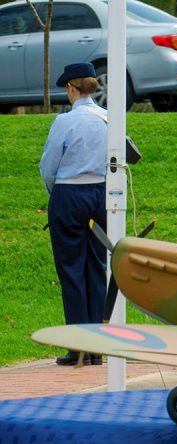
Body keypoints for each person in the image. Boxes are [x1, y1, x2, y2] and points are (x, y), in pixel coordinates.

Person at [39, 62, 107, 366]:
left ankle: (78, 345)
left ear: (71, 88)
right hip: (101, 193)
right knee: (96, 265)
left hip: (70, 192)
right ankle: (96, 346)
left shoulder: (64, 122)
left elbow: (48, 168)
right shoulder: (108, 118)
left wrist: (57, 195)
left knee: (71, 269)